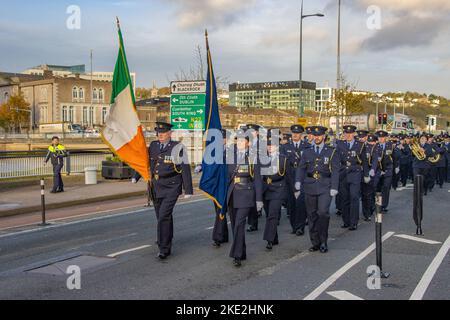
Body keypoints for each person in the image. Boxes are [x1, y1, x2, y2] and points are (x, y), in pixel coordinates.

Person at [149, 122, 193, 260]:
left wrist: (188, 189)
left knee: (163, 216)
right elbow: (147, 162)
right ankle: (166, 236)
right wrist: (135, 176)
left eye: (163, 133)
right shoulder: (153, 145)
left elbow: (185, 168)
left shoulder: (177, 147)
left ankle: (164, 248)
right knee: (161, 216)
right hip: (156, 186)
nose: (160, 135)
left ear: (170, 133)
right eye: (158, 133)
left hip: (171, 186)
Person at [296, 126, 340, 253]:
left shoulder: (331, 151)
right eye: (315, 136)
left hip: (325, 185)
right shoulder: (307, 151)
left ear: (324, 137)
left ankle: (323, 241)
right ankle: (315, 242)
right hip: (309, 185)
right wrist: (298, 181)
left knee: (323, 213)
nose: (317, 138)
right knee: (312, 215)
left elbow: (336, 170)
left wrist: (334, 187)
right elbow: (301, 168)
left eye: (319, 136)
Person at [226, 129, 263, 267]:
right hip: (232, 194)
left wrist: (259, 199)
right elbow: (224, 174)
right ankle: (242, 251)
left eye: (242, 140)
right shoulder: (230, 155)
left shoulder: (253, 157)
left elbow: (258, 180)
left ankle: (236, 255)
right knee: (235, 224)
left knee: (239, 224)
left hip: (246, 193)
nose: (239, 143)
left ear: (248, 143)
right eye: (238, 140)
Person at [195, 129, 230, 248]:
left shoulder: (231, 151)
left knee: (224, 210)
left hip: (230, 185)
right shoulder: (213, 151)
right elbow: (207, 163)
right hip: (217, 185)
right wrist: (201, 166)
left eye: (223, 138)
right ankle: (221, 236)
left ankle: (220, 236)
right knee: (219, 210)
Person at [336, 125, 370, 231]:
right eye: (346, 133)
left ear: (354, 134)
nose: (348, 135)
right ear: (344, 134)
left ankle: (354, 222)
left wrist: (366, 174)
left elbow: (364, 161)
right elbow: (336, 160)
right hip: (343, 174)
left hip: (355, 173)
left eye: (350, 133)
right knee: (344, 198)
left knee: (354, 197)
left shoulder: (360, 145)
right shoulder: (339, 144)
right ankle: (346, 221)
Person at [261, 130, 288, 250]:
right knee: (268, 215)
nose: (269, 147)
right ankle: (274, 237)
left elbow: (289, 176)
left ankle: (269, 240)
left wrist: (295, 190)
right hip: (266, 189)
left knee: (272, 214)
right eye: (268, 145)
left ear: (277, 146)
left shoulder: (283, 159)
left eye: (272, 145)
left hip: (278, 189)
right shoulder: (262, 158)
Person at [282, 124, 310, 236]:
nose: (295, 135)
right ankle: (294, 226)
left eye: (297, 133)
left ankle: (300, 227)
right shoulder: (285, 147)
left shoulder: (307, 146)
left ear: (301, 135)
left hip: (302, 177)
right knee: (291, 203)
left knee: (301, 203)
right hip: (290, 177)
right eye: (294, 133)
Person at [375, 131, 400, 211]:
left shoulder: (390, 145)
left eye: (382, 137)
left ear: (386, 138)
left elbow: (394, 157)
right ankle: (377, 204)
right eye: (379, 137)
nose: (381, 139)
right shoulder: (375, 145)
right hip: (378, 169)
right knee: (377, 187)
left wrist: (396, 166)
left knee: (386, 187)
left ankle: (384, 205)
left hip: (388, 169)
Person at [246, 124, 262, 233]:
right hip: (248, 176)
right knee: (250, 200)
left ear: (257, 133)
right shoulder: (245, 143)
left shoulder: (263, 144)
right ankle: (252, 223)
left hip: (261, 175)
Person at [361, 134, 380, 221]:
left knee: (370, 192)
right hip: (361, 172)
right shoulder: (359, 146)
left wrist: (372, 169)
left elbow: (375, 159)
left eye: (372, 141)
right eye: (369, 141)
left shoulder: (374, 148)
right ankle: (367, 212)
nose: (370, 143)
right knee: (365, 194)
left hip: (371, 172)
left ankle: (370, 210)